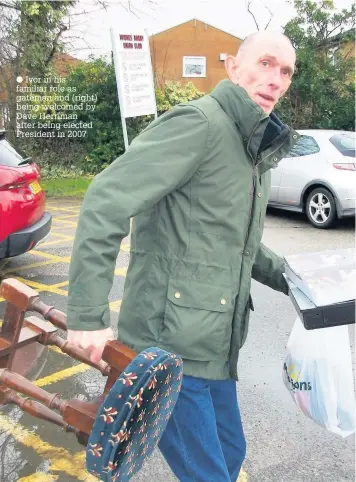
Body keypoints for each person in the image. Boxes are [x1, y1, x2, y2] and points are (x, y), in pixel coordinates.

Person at [66, 30, 298, 482]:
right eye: (265, 64)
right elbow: (105, 201)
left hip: (216, 343)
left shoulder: (253, 150)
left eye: (285, 71)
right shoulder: (199, 124)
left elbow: (239, 246)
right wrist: (86, 314)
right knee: (209, 473)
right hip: (169, 343)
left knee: (231, 453)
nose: (276, 79)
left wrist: (301, 279)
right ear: (232, 66)